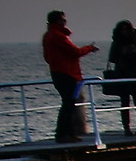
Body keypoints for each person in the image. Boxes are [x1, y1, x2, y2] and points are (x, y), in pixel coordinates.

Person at [41, 11, 98, 141]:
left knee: (68, 104)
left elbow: (47, 57)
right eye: (63, 20)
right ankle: (63, 134)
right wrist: (89, 48)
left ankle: (69, 133)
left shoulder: (48, 35)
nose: (65, 23)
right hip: (67, 74)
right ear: (58, 22)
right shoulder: (58, 36)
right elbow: (75, 52)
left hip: (57, 73)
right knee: (68, 104)